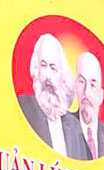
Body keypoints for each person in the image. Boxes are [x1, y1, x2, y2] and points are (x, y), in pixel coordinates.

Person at [16, 33, 90, 161]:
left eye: (53, 68)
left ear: (62, 75)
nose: (48, 76)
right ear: (36, 69)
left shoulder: (74, 127)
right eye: (43, 65)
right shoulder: (23, 107)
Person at [68, 52, 104, 160]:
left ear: (101, 95)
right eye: (82, 82)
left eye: (93, 85)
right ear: (75, 87)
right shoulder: (63, 128)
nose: (86, 92)